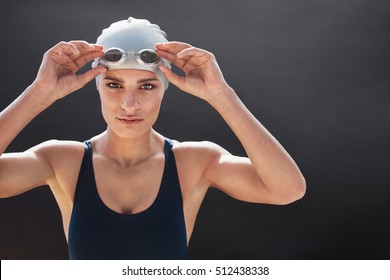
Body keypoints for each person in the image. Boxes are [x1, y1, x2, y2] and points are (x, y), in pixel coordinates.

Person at [0, 17, 305, 259]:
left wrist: (221, 95)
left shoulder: (195, 161)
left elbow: (287, 190)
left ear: (164, 88)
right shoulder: (61, 161)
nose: (129, 105)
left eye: (146, 86)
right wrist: (39, 94)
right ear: (95, 85)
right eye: (114, 85)